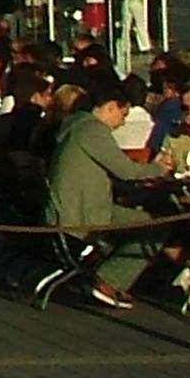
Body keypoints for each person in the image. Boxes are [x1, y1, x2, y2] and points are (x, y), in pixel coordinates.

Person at [48, 81, 169, 308]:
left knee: (139, 219)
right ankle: (109, 280)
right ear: (111, 107)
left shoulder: (74, 126)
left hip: (68, 211)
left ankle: (107, 275)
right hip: (82, 217)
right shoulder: (93, 131)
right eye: (122, 115)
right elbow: (126, 171)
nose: (123, 122)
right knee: (155, 226)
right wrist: (160, 168)